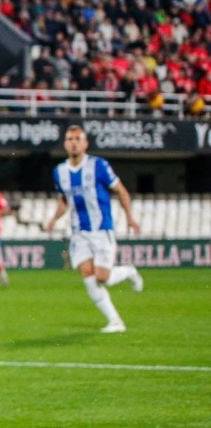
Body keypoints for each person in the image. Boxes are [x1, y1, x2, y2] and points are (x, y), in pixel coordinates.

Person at [44, 126, 143, 333]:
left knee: (102, 277)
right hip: (79, 232)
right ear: (65, 144)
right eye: (70, 139)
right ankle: (115, 321)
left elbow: (121, 190)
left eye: (78, 139)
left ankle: (129, 272)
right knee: (88, 276)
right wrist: (54, 218)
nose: (73, 142)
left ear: (85, 143)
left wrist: (130, 218)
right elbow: (64, 201)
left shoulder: (98, 165)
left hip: (101, 228)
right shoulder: (60, 172)